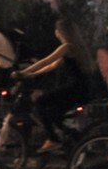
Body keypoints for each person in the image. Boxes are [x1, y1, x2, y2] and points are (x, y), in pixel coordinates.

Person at [14, 16, 93, 152]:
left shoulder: (67, 47)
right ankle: (70, 134)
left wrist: (23, 72)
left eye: (56, 29)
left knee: (40, 102)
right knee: (53, 111)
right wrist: (31, 74)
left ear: (60, 32)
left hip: (74, 88)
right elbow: (52, 66)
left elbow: (45, 61)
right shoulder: (74, 48)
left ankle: (53, 139)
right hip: (80, 88)